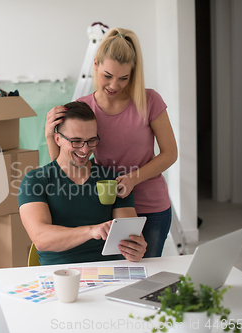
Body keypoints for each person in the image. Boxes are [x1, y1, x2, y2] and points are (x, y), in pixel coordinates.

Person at [45, 27, 178, 258]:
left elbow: (170, 153)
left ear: (133, 73)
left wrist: (133, 179)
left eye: (123, 78)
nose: (114, 85)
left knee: (147, 275)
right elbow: (64, 165)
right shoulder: (83, 107)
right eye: (107, 75)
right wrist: (50, 136)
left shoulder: (150, 101)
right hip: (105, 207)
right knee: (115, 278)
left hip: (151, 207)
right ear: (95, 64)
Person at [18, 101, 147, 265]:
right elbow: (41, 239)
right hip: (58, 275)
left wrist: (135, 248)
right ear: (57, 139)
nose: (85, 150)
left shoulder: (114, 181)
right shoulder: (35, 180)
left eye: (91, 140)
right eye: (76, 141)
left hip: (107, 272)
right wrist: (91, 231)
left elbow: (128, 236)